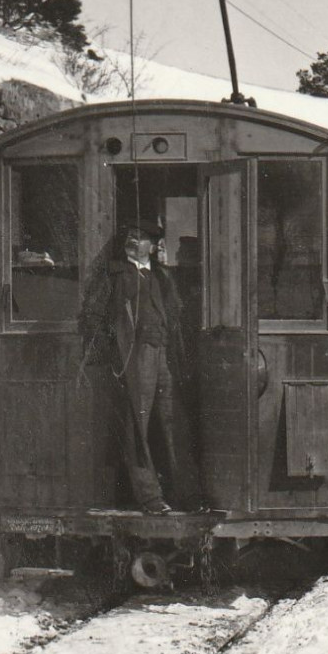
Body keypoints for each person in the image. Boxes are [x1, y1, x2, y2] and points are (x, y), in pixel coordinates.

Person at [79, 219, 204, 514]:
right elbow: (92, 318)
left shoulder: (163, 277)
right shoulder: (115, 277)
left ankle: (188, 495)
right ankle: (149, 498)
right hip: (135, 360)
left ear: (153, 245)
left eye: (141, 238)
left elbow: (177, 317)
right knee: (138, 425)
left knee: (175, 421)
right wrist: (112, 355)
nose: (134, 242)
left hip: (164, 356)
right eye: (130, 237)